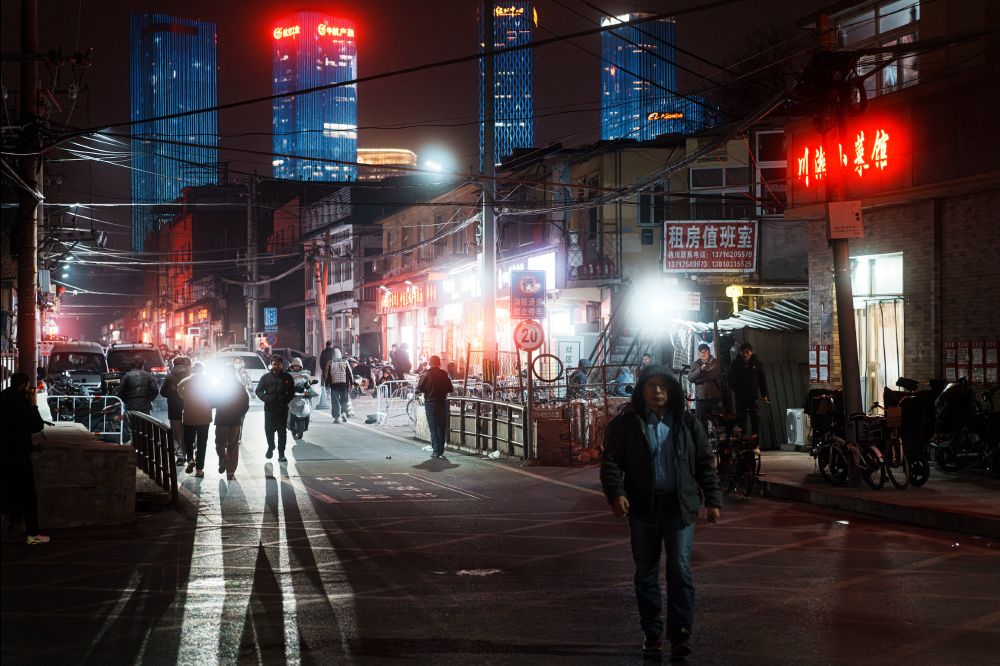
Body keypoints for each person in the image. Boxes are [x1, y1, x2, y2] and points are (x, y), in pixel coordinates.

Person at [600, 365, 722, 659]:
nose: (657, 391)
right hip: (643, 508)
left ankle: (680, 634)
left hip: (680, 507)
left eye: (663, 386)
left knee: (680, 570)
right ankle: (652, 632)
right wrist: (616, 494)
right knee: (646, 573)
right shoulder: (625, 425)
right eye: (651, 385)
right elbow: (611, 463)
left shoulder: (687, 423)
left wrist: (713, 499)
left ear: (672, 391)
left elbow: (705, 462)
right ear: (641, 389)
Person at [1, 372, 50, 545]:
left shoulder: (3, 398)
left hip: (4, 454)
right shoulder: (22, 402)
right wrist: (33, 405)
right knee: (28, 495)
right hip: (19, 455)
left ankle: (12, 522)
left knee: (8, 489)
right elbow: (37, 425)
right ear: (23, 385)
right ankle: (32, 534)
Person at [255, 354, 295, 462]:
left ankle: (281, 454)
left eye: (278, 364)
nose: (276, 366)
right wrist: (266, 398)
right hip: (269, 409)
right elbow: (258, 391)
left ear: (282, 365)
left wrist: (285, 400)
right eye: (274, 364)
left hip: (282, 409)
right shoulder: (265, 378)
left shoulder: (287, 377)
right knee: (269, 430)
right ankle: (271, 447)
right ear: (271, 365)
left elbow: (292, 392)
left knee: (282, 432)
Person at [213, 365, 250, 480]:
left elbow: (212, 401)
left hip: (221, 419)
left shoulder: (219, 385)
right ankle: (230, 472)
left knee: (220, 443)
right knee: (233, 446)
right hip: (235, 420)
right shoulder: (239, 386)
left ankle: (223, 458)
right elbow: (246, 403)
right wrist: (240, 414)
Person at [177, 362, 213, 477]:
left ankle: (190, 459)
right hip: (204, 416)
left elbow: (179, 390)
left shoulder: (186, 380)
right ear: (202, 370)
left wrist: (186, 397)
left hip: (189, 416)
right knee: (202, 443)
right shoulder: (207, 380)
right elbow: (212, 394)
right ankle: (199, 469)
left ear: (192, 370)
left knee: (188, 441)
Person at [416, 355, 454, 458]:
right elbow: (450, 388)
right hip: (442, 402)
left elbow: (420, 388)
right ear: (439, 363)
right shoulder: (444, 374)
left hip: (430, 402)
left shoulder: (425, 374)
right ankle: (440, 450)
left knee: (433, 427)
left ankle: (436, 451)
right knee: (441, 427)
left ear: (430, 363)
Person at [728, 342, 769, 436]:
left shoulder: (757, 363)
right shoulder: (736, 363)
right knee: (741, 419)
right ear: (740, 352)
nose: (745, 355)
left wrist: (764, 395)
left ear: (751, 352)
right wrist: (736, 390)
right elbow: (730, 379)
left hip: (753, 396)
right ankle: (743, 442)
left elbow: (762, 380)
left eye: (747, 352)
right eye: (743, 352)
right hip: (740, 396)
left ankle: (755, 443)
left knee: (755, 419)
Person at [160, 355, 192, 466]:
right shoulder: (191, 374)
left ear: (174, 364)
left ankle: (181, 456)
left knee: (177, 433)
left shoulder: (169, 376)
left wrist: (172, 394)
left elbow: (162, 392)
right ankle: (190, 454)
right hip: (190, 406)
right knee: (189, 431)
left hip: (174, 407)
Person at [688, 343, 722, 429]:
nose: (703, 354)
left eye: (705, 351)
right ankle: (703, 440)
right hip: (701, 397)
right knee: (701, 421)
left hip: (714, 396)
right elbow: (690, 378)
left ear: (709, 352)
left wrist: (698, 379)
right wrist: (700, 370)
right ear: (698, 353)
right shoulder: (695, 364)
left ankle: (718, 439)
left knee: (717, 420)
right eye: (701, 352)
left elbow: (712, 375)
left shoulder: (715, 362)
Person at [324, 349, 354, 423]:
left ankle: (337, 417)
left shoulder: (329, 362)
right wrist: (352, 383)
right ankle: (343, 413)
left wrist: (326, 385)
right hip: (344, 384)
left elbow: (326, 375)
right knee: (344, 400)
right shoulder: (345, 362)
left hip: (334, 385)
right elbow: (350, 373)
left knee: (335, 401)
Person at [317, 341, 334, 408]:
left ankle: (326, 393)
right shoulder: (333, 351)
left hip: (324, 368)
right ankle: (329, 393)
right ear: (330, 345)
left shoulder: (323, 352)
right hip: (332, 368)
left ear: (326, 345)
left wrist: (322, 368)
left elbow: (320, 361)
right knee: (331, 380)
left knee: (325, 380)